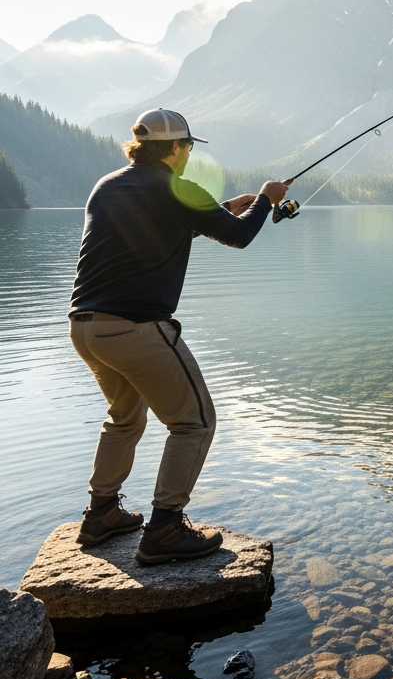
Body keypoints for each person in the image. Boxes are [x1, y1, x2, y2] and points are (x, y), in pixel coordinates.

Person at [68, 108, 289, 564]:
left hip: (86, 328)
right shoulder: (176, 188)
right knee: (195, 422)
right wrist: (266, 199)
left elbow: (153, 228)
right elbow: (240, 237)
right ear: (173, 147)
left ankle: (102, 513)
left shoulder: (107, 185)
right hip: (136, 328)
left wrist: (222, 208)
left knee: (125, 419)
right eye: (188, 146)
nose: (189, 153)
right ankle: (166, 528)